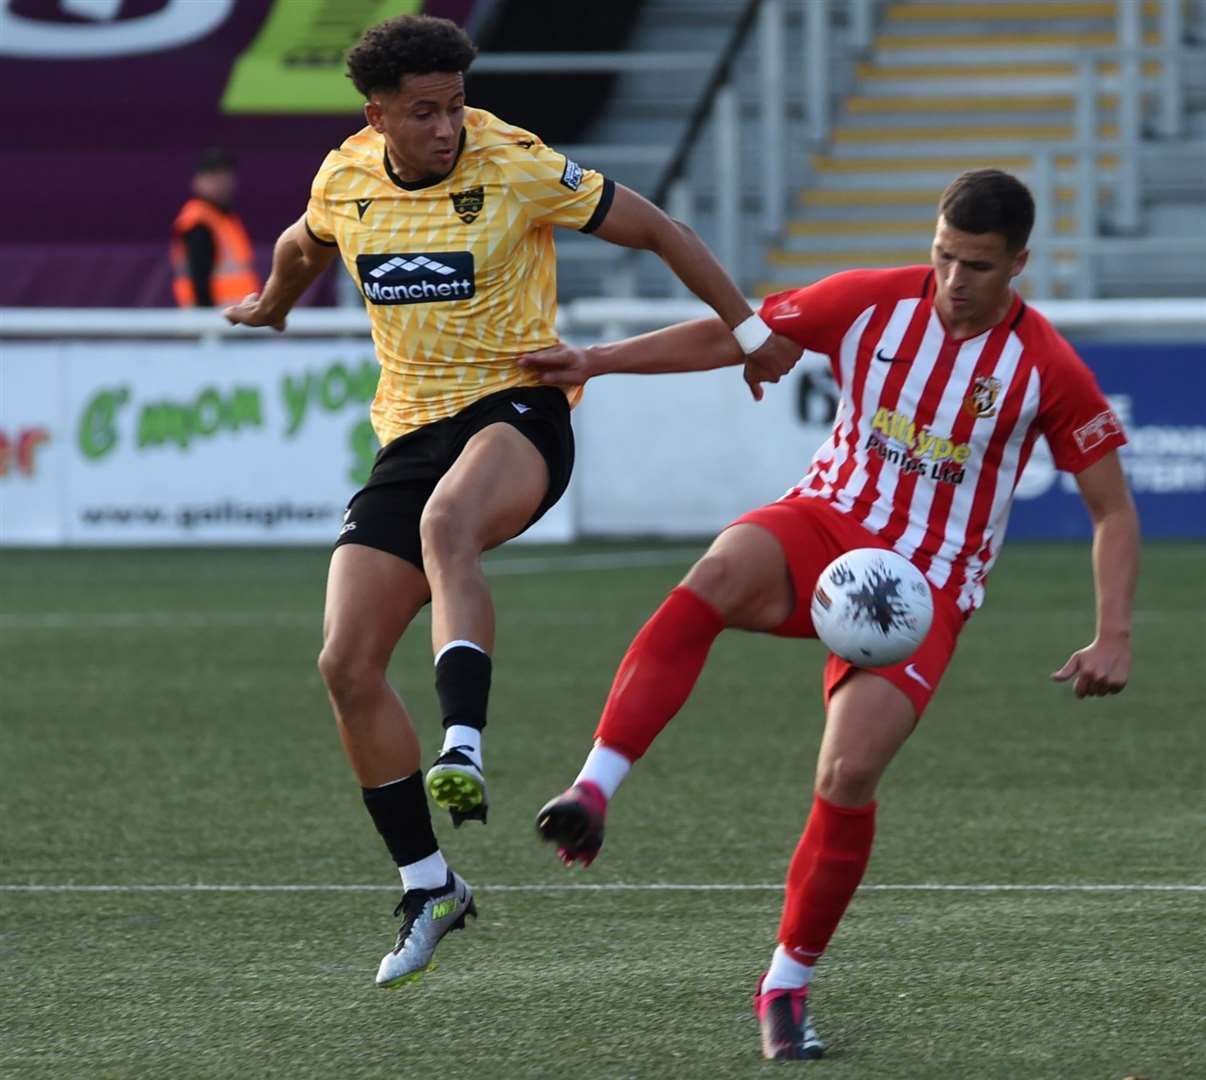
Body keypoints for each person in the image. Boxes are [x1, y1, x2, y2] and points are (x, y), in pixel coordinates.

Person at [222, 13, 800, 989]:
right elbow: (301, 241)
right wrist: (272, 306)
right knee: (346, 661)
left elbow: (658, 228)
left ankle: (464, 743)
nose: (447, 127)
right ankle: (428, 883)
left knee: (451, 525)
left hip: (520, 409)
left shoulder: (517, 163)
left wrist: (747, 333)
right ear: (378, 116)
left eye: (454, 106)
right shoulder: (346, 176)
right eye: (425, 112)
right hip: (409, 438)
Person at [529, 169, 1140, 1061]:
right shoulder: (869, 302)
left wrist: (1113, 632)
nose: (953, 279)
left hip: (925, 582)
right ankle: (593, 788)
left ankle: (784, 982)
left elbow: (1112, 509)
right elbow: (737, 334)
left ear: (1018, 263)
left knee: (848, 776)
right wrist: (597, 362)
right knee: (710, 580)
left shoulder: (1045, 366)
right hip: (824, 519)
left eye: (976, 264)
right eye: (942, 255)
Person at [170, 148, 260, 308]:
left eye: (225, 175)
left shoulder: (225, 219)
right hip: (215, 322)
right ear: (197, 181)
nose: (222, 182)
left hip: (234, 319)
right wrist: (206, 321)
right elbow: (199, 279)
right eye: (214, 176)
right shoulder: (198, 222)